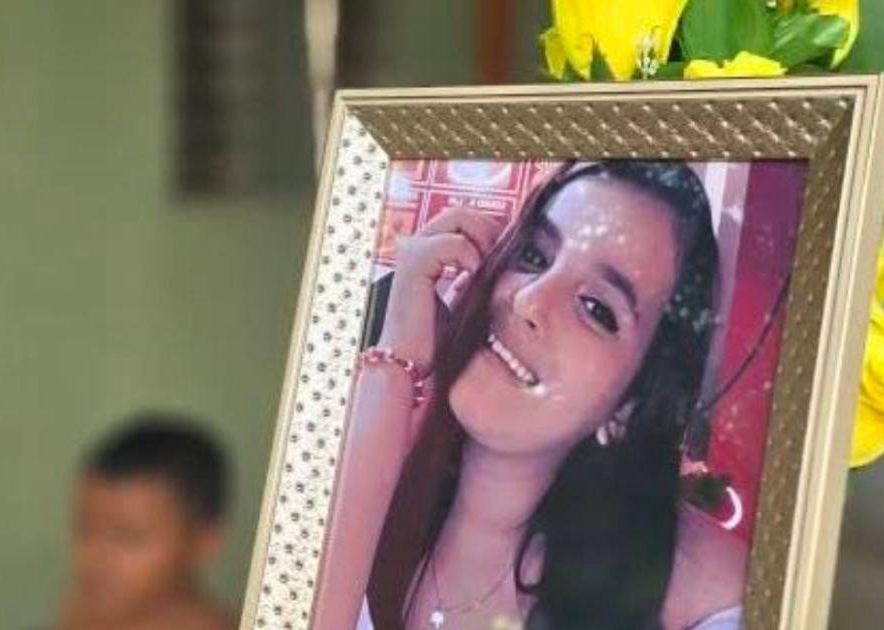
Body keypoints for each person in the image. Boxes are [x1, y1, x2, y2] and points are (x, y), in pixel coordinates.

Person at [317, 161, 749, 630]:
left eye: (596, 308)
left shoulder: (709, 600)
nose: (528, 300)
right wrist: (394, 368)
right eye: (534, 257)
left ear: (632, 401)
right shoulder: (338, 453)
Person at [59, 413, 234, 630]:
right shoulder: (84, 614)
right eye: (85, 530)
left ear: (205, 541)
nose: (93, 558)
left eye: (128, 537)